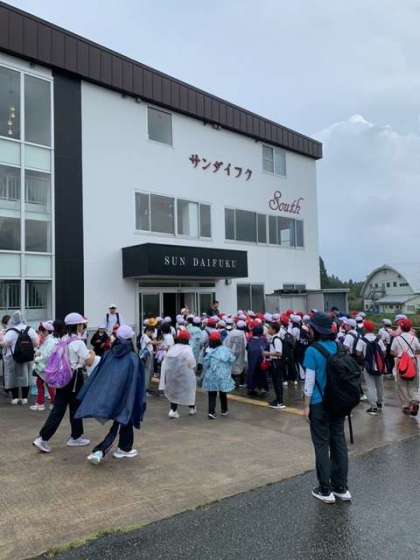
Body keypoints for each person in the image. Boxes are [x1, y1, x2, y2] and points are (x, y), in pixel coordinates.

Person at [75, 325, 146, 464]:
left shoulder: (109, 354)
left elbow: (100, 374)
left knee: (125, 421)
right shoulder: (133, 357)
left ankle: (125, 448)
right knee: (121, 421)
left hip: (112, 393)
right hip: (127, 395)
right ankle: (100, 451)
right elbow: (138, 380)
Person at [303, 312, 351, 504]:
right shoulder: (339, 346)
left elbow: (309, 382)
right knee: (339, 442)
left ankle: (325, 490)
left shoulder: (312, 350)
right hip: (338, 403)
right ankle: (341, 488)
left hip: (319, 403)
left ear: (315, 330)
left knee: (322, 444)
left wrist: (306, 406)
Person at [33, 313, 96, 454]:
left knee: (69, 407)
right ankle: (45, 438)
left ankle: (74, 436)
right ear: (77, 326)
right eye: (82, 324)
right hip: (74, 378)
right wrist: (92, 352)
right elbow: (89, 361)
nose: (83, 326)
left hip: (63, 377)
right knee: (66, 408)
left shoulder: (63, 339)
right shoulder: (78, 342)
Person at [2, 311, 38, 405]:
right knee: (26, 377)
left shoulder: (10, 331)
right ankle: (25, 398)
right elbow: (36, 343)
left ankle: (15, 398)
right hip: (27, 357)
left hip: (13, 357)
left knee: (13, 377)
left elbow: (5, 344)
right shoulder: (30, 329)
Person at [163, 330, 197, 418]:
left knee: (174, 392)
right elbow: (192, 362)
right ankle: (192, 408)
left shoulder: (173, 348)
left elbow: (167, 360)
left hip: (172, 375)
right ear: (188, 339)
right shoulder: (187, 349)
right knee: (189, 390)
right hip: (185, 375)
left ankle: (173, 410)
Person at [355, 320, 386, 416]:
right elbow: (384, 352)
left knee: (370, 386)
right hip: (379, 366)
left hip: (368, 366)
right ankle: (380, 403)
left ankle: (373, 407)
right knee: (380, 385)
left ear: (365, 329)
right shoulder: (378, 339)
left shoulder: (362, 340)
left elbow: (358, 353)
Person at [30, 321, 62, 412]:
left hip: (46, 367)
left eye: (42, 330)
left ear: (47, 331)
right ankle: (46, 403)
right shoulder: (48, 340)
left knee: (46, 385)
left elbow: (47, 355)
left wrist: (37, 357)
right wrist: (38, 353)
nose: (40, 333)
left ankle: (45, 404)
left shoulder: (50, 341)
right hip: (45, 367)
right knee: (43, 384)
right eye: (40, 330)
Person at [202, 331, 235, 419]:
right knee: (223, 392)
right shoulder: (226, 350)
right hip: (223, 375)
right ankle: (224, 410)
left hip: (212, 375)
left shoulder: (210, 351)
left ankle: (211, 412)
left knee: (212, 393)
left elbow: (205, 364)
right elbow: (232, 359)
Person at [391, 319, 420, 415]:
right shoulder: (414, 338)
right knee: (414, 384)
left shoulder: (396, 339)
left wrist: (400, 354)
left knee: (402, 385)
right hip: (412, 361)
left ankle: (406, 405)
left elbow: (392, 351)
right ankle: (415, 401)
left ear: (401, 327)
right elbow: (418, 349)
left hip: (400, 362)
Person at [265, 322, 286, 410]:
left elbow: (279, 353)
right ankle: (278, 400)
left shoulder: (276, 339)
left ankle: (280, 402)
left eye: (269, 328)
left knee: (277, 382)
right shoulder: (273, 338)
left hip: (276, 363)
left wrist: (268, 353)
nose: (268, 330)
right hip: (274, 362)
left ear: (274, 330)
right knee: (275, 382)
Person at [246, 326, 269, 397]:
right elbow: (267, 349)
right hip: (261, 362)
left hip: (252, 362)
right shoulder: (264, 341)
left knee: (252, 374)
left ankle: (252, 389)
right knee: (262, 375)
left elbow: (247, 348)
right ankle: (262, 389)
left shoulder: (250, 341)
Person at [224, 320, 247, 388]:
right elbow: (245, 345)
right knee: (239, 368)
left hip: (230, 353)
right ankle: (239, 382)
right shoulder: (243, 334)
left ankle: (231, 382)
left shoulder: (232, 332)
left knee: (231, 368)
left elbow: (226, 343)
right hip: (240, 355)